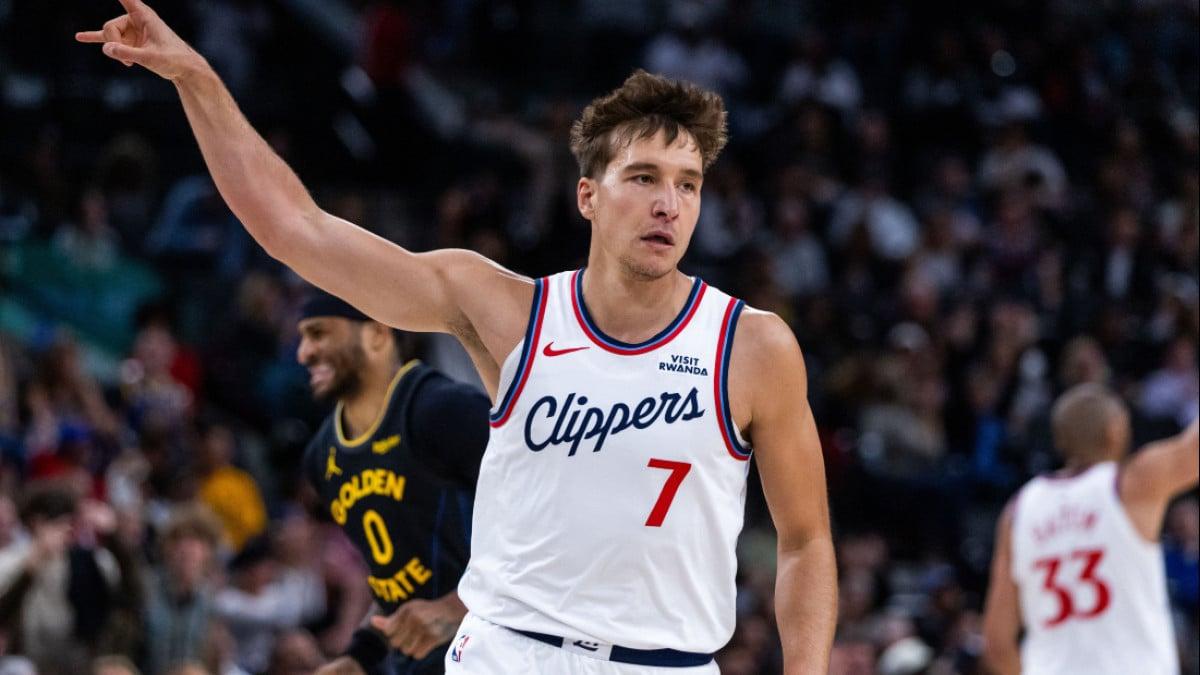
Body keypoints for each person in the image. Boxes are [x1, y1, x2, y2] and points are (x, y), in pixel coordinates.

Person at [77, 3, 838, 672]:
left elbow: (805, 542)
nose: (669, 203)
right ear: (587, 196)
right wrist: (197, 78)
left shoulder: (752, 347)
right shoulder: (509, 312)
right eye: (643, 177)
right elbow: (295, 230)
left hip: (665, 664)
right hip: (509, 653)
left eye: (688, 183)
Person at [296, 291, 490, 675]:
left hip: (501, 651)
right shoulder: (322, 458)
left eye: (319, 334)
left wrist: (459, 606)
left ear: (377, 334)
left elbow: (549, 525)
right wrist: (358, 657)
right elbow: (395, 582)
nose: (304, 353)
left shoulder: (446, 410)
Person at [981, 383, 1200, 674]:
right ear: (1115, 430)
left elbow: (996, 643)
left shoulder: (1018, 511)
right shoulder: (1129, 485)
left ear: (1060, 440)